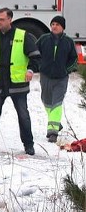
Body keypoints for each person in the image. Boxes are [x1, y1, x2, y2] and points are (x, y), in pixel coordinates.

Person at [0, 7, 40, 155]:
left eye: (2, 19)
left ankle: (28, 145)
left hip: (18, 85)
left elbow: (35, 56)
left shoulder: (23, 36)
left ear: (10, 19)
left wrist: (30, 70)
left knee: (23, 116)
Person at [35, 15, 79, 143]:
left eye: (57, 24)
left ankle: (53, 132)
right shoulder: (43, 39)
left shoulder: (69, 42)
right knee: (46, 101)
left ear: (62, 27)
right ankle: (55, 123)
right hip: (45, 76)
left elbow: (74, 59)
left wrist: (67, 70)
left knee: (57, 103)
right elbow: (35, 53)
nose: (54, 26)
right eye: (52, 24)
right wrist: (39, 66)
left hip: (61, 78)